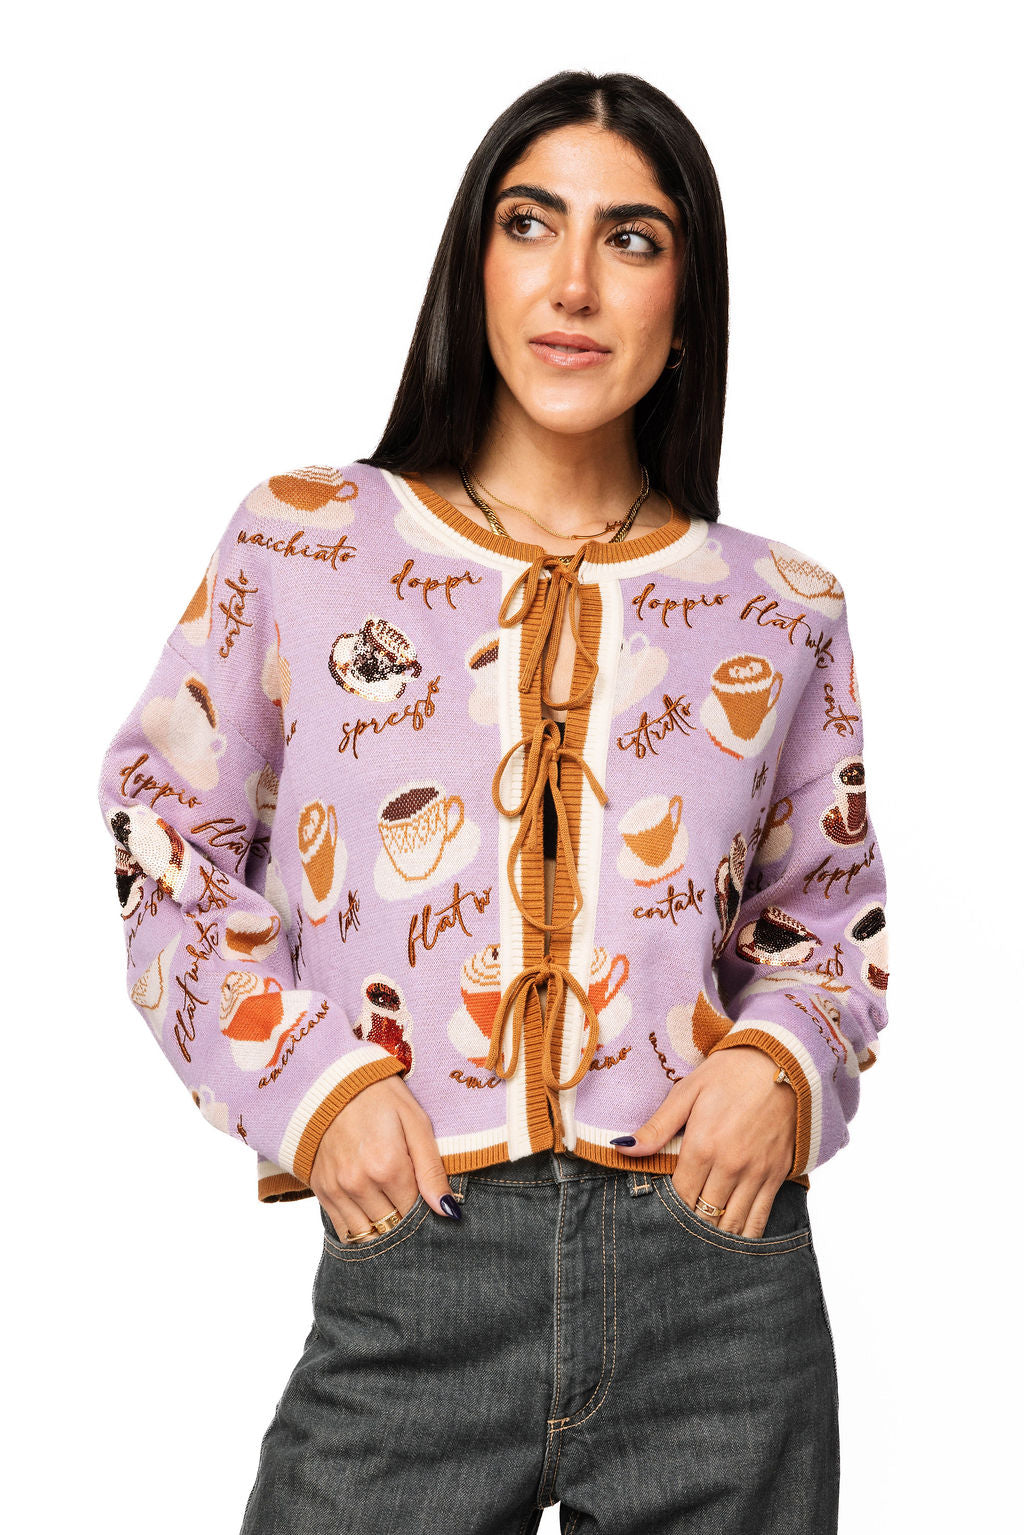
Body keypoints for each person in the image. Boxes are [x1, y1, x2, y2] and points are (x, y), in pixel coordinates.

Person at [96, 69, 889, 1535]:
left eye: (633, 240)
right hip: (420, 1258)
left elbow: (827, 924)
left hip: (716, 1276)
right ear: (475, 265)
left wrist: (780, 1066)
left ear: (688, 305)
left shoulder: (778, 606)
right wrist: (316, 1090)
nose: (575, 282)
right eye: (532, 225)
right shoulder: (306, 542)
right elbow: (165, 842)